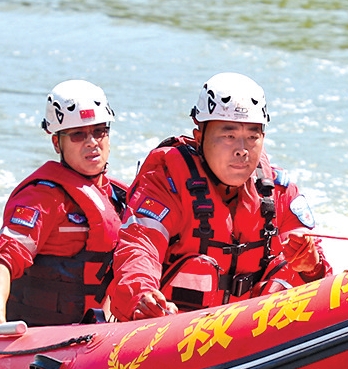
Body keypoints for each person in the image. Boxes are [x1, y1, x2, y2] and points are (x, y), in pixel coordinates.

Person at [108, 72, 328, 321]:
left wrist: (312, 266)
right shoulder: (165, 183)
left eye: (252, 137)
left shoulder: (279, 192)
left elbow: (320, 271)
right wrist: (143, 296)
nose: (242, 150)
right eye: (228, 136)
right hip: (177, 328)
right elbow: (140, 248)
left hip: (253, 328)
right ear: (199, 138)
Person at [0, 79, 129, 326]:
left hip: (98, 332)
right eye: (78, 134)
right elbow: (3, 259)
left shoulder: (119, 197)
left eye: (99, 131)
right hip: (42, 333)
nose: (92, 142)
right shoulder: (42, 197)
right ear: (56, 143)